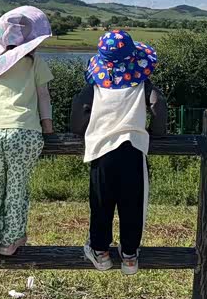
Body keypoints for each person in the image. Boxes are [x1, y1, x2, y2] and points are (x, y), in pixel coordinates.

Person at [71, 30, 168, 275]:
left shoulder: (95, 86)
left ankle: (100, 251)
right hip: (133, 148)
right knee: (132, 204)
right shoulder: (143, 85)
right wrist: (157, 132)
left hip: (101, 151)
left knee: (101, 203)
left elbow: (80, 110)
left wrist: (79, 130)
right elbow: (158, 104)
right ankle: (130, 255)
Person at [0, 6, 54, 264]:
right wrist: (47, 126)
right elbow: (43, 97)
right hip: (24, 131)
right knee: (17, 190)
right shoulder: (35, 63)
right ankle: (10, 242)